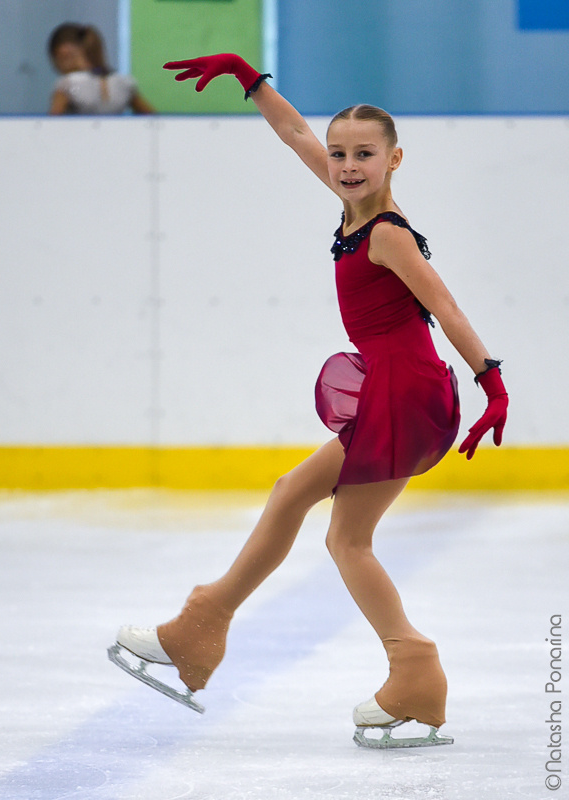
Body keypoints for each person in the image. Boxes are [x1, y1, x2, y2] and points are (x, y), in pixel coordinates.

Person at [110, 54, 508, 747]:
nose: (347, 164)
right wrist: (250, 78)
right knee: (295, 495)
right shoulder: (350, 210)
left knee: (345, 538)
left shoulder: (386, 233)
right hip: (396, 389)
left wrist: (491, 380)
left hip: (404, 393)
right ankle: (201, 630)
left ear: (394, 160)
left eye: (364, 154)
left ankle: (410, 669)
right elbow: (295, 132)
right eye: (340, 153)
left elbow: (443, 304)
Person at [47, 23, 154, 115]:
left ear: (64, 54)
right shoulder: (123, 83)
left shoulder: (67, 84)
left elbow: (52, 124)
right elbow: (152, 118)